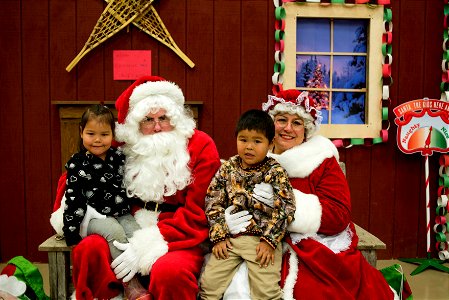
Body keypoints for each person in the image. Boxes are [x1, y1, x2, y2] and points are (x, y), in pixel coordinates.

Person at [225, 89, 396, 299]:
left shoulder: (321, 160)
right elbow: (228, 196)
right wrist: (230, 220)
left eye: (296, 123)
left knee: (312, 290)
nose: (288, 128)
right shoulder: (251, 156)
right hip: (257, 243)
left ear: (306, 129)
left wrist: (286, 205)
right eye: (281, 120)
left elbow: (338, 215)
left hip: (313, 244)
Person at [66, 76, 221, 300]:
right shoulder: (127, 144)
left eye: (164, 118)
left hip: (176, 232)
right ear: (136, 125)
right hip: (126, 218)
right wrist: (82, 214)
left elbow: (198, 213)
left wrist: (141, 246)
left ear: (176, 119)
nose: (157, 127)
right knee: (89, 249)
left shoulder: (200, 145)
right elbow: (77, 174)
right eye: (148, 119)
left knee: (170, 272)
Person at [199, 110, 295, 300]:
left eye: (257, 141)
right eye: (243, 140)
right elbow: (213, 199)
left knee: (266, 290)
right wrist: (219, 234)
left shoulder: (274, 171)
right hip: (231, 239)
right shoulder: (228, 168)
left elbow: (286, 207)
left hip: (261, 242)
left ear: (270, 144)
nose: (249, 147)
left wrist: (269, 240)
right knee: (209, 285)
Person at [60, 104, 148, 299]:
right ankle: (129, 284)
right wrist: (72, 233)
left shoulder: (118, 158)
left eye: (104, 134)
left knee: (136, 233)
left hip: (120, 212)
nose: (98, 140)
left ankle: (145, 279)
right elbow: (73, 200)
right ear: (81, 132)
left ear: (113, 134)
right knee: (114, 231)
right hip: (92, 217)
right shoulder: (77, 163)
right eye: (91, 134)